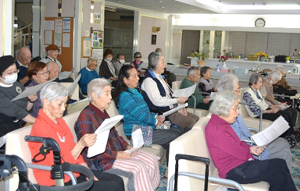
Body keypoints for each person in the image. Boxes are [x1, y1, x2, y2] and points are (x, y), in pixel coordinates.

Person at [28, 82, 124, 190]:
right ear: (46, 102)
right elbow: (58, 164)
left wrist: (85, 169)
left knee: (117, 180)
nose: (64, 109)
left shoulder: (60, 121)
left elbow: (72, 148)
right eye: (60, 104)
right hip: (56, 180)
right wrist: (81, 145)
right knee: (113, 186)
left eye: (65, 103)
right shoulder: (41, 128)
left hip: (72, 171)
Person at [74, 78, 160, 191]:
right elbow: (93, 151)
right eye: (107, 93)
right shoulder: (86, 117)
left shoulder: (103, 112)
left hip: (114, 153)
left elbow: (116, 136)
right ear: (95, 96)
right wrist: (117, 155)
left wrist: (128, 147)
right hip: (102, 161)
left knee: (152, 158)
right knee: (139, 168)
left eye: (110, 93)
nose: (110, 97)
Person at [206, 91, 297, 191]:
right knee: (280, 164)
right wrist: (249, 150)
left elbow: (238, 144)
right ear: (223, 109)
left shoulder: (221, 123)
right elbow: (240, 153)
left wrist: (250, 149)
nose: (238, 112)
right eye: (235, 108)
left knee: (278, 177)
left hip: (240, 166)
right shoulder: (218, 130)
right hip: (235, 171)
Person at [113, 65, 182, 178]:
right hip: (136, 133)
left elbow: (145, 112)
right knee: (174, 136)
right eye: (134, 76)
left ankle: (170, 169)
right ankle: (169, 171)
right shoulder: (125, 96)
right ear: (125, 80)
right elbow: (140, 116)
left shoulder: (134, 92)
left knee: (177, 131)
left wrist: (156, 116)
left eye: (137, 75)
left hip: (145, 128)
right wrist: (155, 121)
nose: (138, 78)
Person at [216, 73, 292, 172]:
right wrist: (254, 144)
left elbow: (243, 131)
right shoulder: (227, 114)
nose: (239, 94)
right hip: (250, 149)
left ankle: (285, 181)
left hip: (252, 142)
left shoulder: (233, 108)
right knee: (284, 150)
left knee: (284, 145)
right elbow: (236, 141)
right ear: (228, 92)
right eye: (237, 90)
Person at [140, 52, 199, 131]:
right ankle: (184, 142)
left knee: (197, 119)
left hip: (173, 109)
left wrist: (181, 107)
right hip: (164, 113)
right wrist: (177, 100)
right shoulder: (149, 81)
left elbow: (171, 95)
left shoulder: (160, 77)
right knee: (191, 122)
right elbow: (158, 101)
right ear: (155, 64)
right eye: (163, 62)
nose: (165, 65)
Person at [243, 73, 295, 137]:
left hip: (265, 109)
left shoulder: (256, 91)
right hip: (259, 114)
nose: (261, 84)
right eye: (260, 82)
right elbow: (255, 110)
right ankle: (287, 136)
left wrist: (274, 106)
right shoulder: (247, 94)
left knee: (286, 114)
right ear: (253, 83)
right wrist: (271, 111)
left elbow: (262, 103)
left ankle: (291, 135)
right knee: (283, 117)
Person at [0, 55, 36, 137]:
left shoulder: (16, 85)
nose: (13, 74)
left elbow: (25, 108)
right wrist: (37, 122)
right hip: (5, 130)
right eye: (9, 72)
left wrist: (31, 101)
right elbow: (16, 111)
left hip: (20, 126)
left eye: (15, 71)